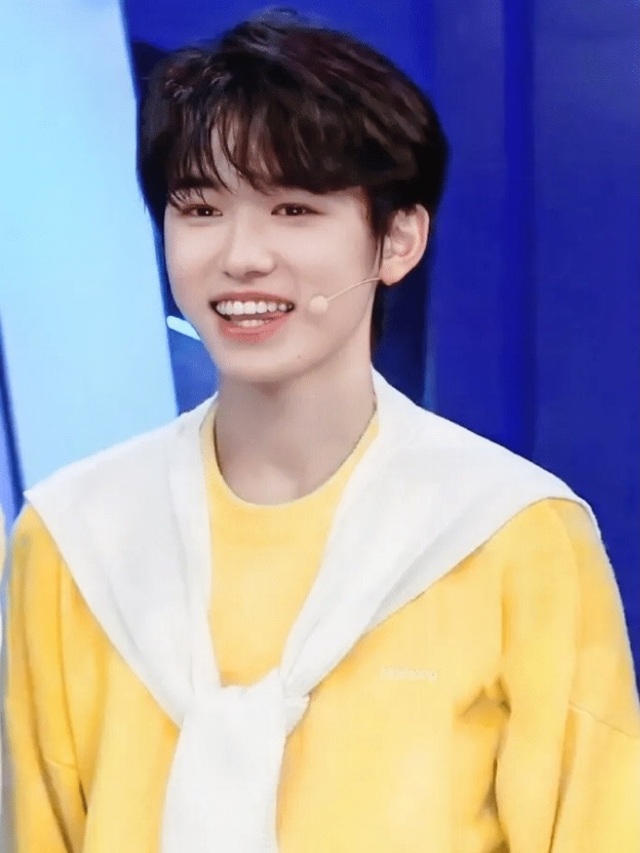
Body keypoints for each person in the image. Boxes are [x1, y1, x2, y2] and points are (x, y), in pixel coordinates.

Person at [2, 8, 639, 853]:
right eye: (201, 207)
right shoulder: (77, 537)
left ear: (398, 239)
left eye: (294, 209)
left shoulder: (511, 532)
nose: (242, 255)